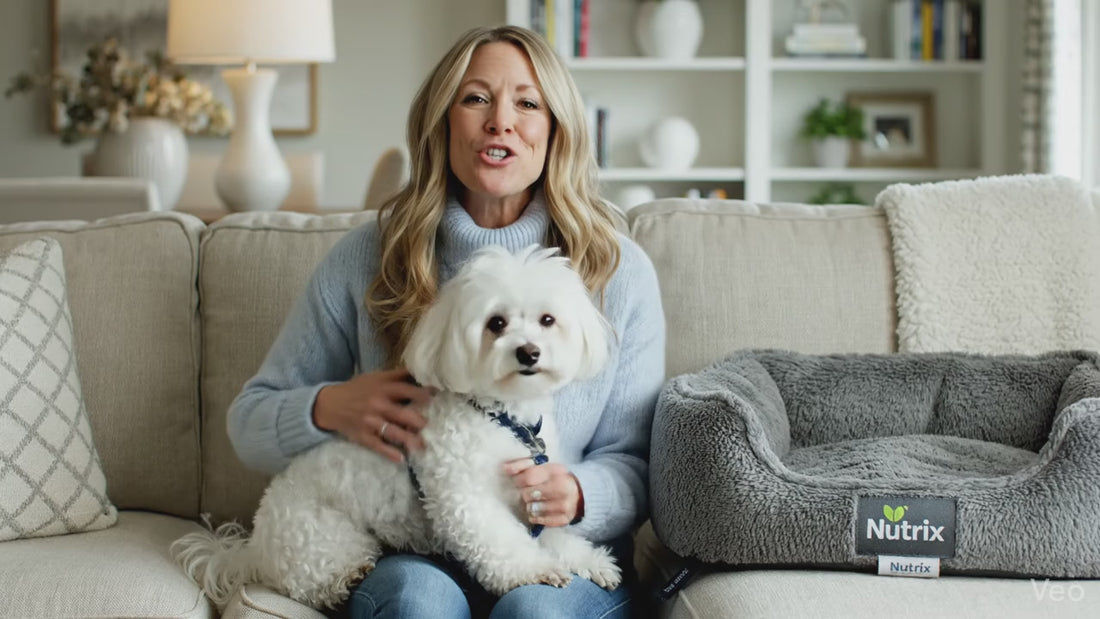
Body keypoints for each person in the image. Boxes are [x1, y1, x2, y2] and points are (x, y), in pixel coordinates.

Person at [227, 24, 666, 619]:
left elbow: (640, 463)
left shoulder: (617, 269)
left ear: (555, 130)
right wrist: (327, 407)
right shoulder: (366, 258)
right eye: (476, 98)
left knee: (534, 612)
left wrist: (582, 493)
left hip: (560, 550)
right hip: (417, 549)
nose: (500, 122)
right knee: (415, 602)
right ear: (442, 121)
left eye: (528, 104)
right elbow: (248, 424)